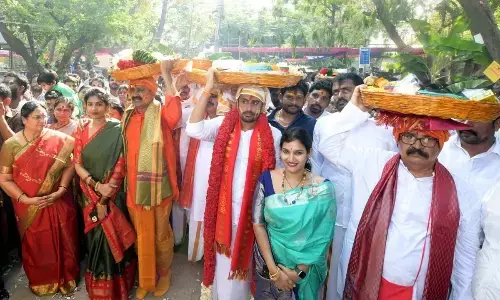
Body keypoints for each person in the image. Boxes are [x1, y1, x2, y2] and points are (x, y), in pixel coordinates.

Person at [318, 86, 480, 299]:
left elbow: (465, 256)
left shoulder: (459, 192)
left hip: (419, 289)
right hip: (364, 282)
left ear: (440, 145)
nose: (417, 145)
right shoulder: (373, 163)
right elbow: (329, 145)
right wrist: (357, 109)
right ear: (397, 139)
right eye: (409, 136)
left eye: (428, 139)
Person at [187, 68, 282, 300]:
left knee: (244, 273)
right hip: (223, 212)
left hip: (253, 216)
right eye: (244, 101)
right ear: (237, 103)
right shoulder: (222, 125)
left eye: (255, 103)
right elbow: (193, 128)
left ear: (263, 107)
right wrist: (208, 88)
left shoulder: (273, 135)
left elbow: (275, 178)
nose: (249, 108)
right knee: (223, 268)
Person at [0, 102, 79, 296]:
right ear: (24, 119)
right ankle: (42, 280)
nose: (42, 121)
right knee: (37, 242)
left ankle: (67, 277)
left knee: (65, 237)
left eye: (44, 116)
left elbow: (70, 165)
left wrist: (61, 189)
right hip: (28, 205)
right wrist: (26, 200)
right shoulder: (11, 145)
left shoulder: (60, 139)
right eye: (37, 117)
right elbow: (4, 179)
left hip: (58, 200)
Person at [253, 127, 336, 300]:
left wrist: (298, 272)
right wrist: (275, 272)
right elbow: (258, 224)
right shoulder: (266, 179)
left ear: (309, 153)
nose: (291, 159)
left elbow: (323, 236)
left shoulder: (323, 189)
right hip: (270, 265)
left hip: (307, 270)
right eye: (286, 151)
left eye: (298, 152)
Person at [122, 60, 181, 299]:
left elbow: (176, 113)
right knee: (140, 235)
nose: (136, 95)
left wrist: (166, 75)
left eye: (141, 90)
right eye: (132, 90)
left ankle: (164, 272)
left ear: (152, 92)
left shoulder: (161, 113)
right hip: (134, 191)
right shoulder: (126, 116)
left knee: (160, 235)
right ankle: (146, 278)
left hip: (158, 189)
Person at [73, 87, 137, 299]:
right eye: (90, 104)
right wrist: (96, 186)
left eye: (99, 104)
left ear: (107, 107)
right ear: (85, 106)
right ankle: (100, 283)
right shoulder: (80, 130)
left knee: (112, 235)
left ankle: (118, 286)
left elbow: (121, 162)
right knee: (95, 236)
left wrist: (105, 195)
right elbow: (77, 163)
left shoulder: (118, 129)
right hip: (89, 193)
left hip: (113, 194)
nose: (94, 109)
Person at [178, 90, 218, 262]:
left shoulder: (229, 122)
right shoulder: (194, 118)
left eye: (215, 96)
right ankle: (198, 254)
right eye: (207, 96)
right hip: (198, 178)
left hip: (220, 180)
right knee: (198, 214)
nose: (210, 100)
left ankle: (215, 257)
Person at [439, 117, 500, 200]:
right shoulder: (437, 149)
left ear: (497, 124)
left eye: (476, 118)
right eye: (461, 117)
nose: (466, 123)